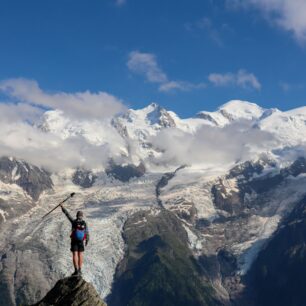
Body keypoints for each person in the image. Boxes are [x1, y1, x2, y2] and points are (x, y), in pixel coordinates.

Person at [60, 204, 89, 276]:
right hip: (81, 241)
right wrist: (87, 240)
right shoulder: (84, 223)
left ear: (77, 216)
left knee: (75, 254)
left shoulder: (74, 222)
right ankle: (80, 270)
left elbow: (68, 215)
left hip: (74, 240)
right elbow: (87, 232)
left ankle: (76, 270)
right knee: (80, 254)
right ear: (82, 216)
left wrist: (62, 207)